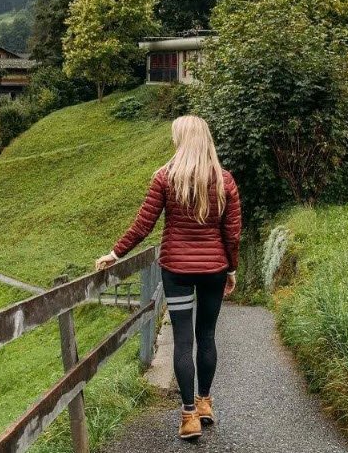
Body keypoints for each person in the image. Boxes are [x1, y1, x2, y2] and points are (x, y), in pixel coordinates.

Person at [96, 115, 241, 441]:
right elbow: (232, 234)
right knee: (207, 335)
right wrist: (231, 269)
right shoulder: (224, 181)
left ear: (183, 139)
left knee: (183, 340)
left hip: (176, 270)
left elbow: (143, 224)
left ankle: (189, 417)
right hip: (214, 270)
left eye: (176, 136)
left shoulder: (165, 178)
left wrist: (115, 253)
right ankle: (205, 403)